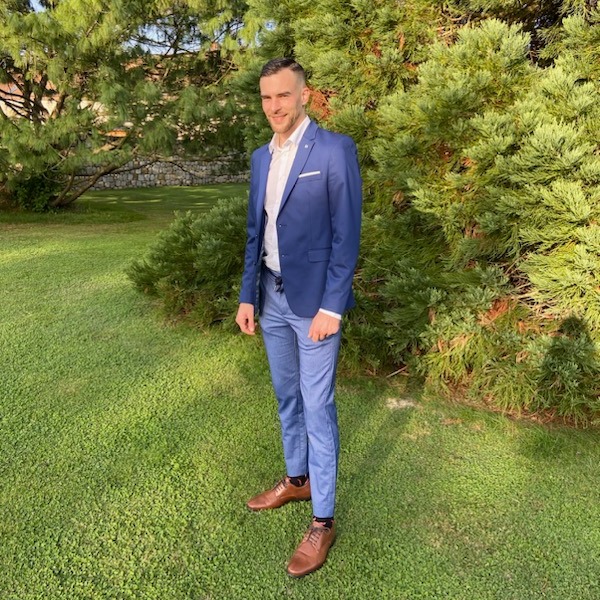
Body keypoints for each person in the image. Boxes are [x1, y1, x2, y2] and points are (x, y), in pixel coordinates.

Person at [235, 57, 362, 578]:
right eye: (266, 97)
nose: (274, 106)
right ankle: (297, 479)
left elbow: (346, 235)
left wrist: (332, 306)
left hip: (314, 306)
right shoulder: (260, 158)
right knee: (286, 395)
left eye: (283, 95)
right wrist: (247, 295)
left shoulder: (334, 150)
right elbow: (255, 232)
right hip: (271, 298)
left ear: (304, 95)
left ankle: (323, 520)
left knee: (317, 405)